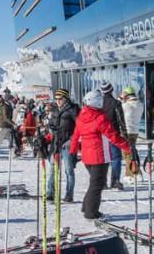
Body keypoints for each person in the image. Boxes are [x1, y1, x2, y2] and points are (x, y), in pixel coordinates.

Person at [71, 89, 131, 220]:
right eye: (100, 101)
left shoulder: (82, 116)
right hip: (99, 156)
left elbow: (75, 136)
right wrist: (128, 147)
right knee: (97, 185)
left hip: (88, 157)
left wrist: (73, 152)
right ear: (96, 102)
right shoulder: (100, 118)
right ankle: (91, 213)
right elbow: (113, 136)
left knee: (94, 183)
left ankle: (87, 207)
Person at [44, 88, 78, 202]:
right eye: (56, 98)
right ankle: (50, 193)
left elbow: (79, 126)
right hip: (56, 142)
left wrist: (73, 139)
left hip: (67, 142)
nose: (58, 101)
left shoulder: (73, 109)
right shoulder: (54, 110)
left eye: (60, 98)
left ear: (66, 98)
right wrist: (50, 129)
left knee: (68, 169)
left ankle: (69, 194)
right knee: (53, 168)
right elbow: (51, 124)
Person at [99, 82, 126, 190]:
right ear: (111, 90)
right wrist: (125, 133)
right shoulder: (116, 103)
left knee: (103, 158)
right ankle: (115, 180)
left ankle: (103, 182)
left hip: (101, 134)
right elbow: (121, 120)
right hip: (113, 134)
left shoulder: (98, 103)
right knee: (116, 157)